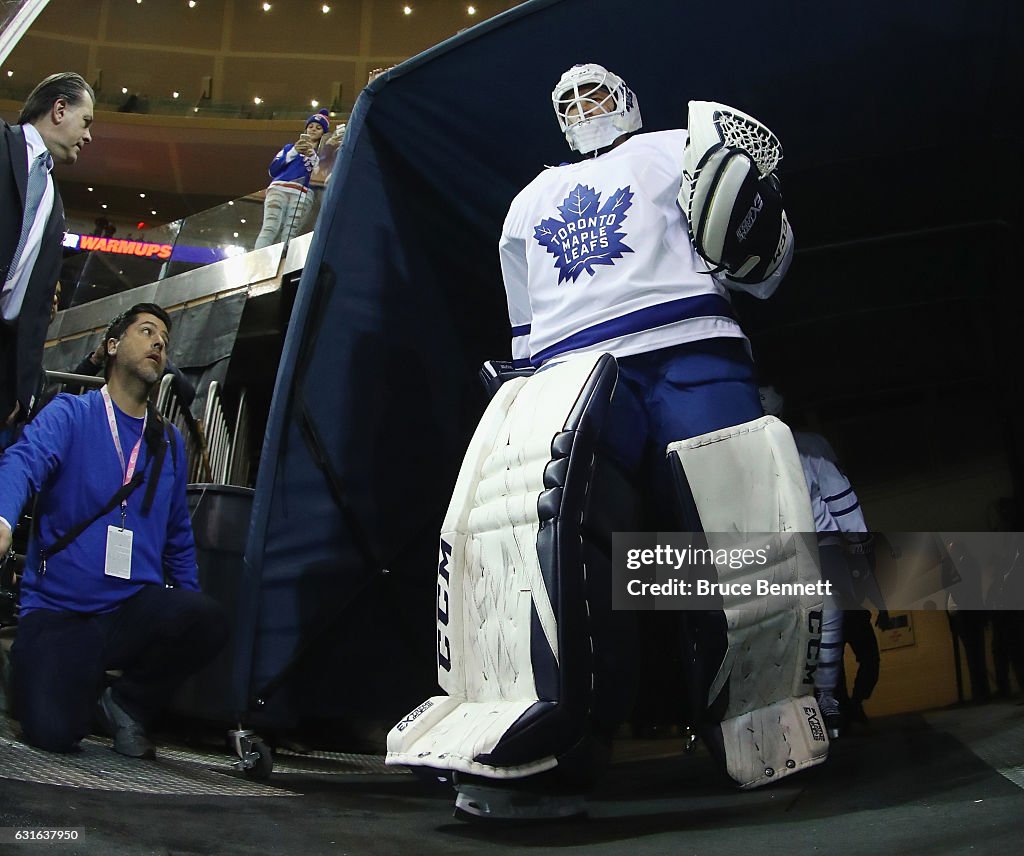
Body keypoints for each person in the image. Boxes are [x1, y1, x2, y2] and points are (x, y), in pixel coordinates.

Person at [499, 64, 793, 515]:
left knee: (744, 509)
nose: (583, 108)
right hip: (572, 375)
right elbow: (523, 317)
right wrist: (524, 391)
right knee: (613, 534)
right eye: (571, 103)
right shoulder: (526, 202)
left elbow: (755, 238)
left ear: (625, 99)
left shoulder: (678, 146)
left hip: (689, 341)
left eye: (594, 95)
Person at [0, 303, 226, 758]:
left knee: (208, 618)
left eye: (164, 337)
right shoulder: (71, 414)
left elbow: (179, 535)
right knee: (54, 733)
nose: (159, 342)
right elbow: (23, 461)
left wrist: (186, 608)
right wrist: (2, 520)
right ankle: (30, 668)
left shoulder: (168, 442)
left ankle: (123, 704)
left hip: (129, 611)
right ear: (112, 346)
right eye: (146, 331)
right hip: (63, 610)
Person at [760, 385, 882, 738]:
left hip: (815, 544)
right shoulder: (801, 445)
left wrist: (859, 540)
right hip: (781, 548)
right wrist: (860, 541)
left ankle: (826, 698)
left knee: (826, 621)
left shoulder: (809, 446)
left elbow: (838, 495)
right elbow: (841, 496)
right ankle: (815, 698)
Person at [1, 72, 94, 437]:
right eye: (85, 122)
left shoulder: (55, 203)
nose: (88, 136)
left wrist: (20, 389)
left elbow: (34, 308)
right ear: (59, 110)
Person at [253, 109, 331, 249]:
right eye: (310, 126)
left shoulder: (323, 155)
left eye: (318, 128)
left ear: (323, 133)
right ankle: (258, 260)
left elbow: (321, 177)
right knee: (270, 227)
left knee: (290, 232)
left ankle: (284, 263)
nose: (313, 130)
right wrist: (294, 151)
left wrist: (313, 156)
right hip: (279, 188)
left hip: (303, 194)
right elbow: (273, 169)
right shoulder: (289, 148)